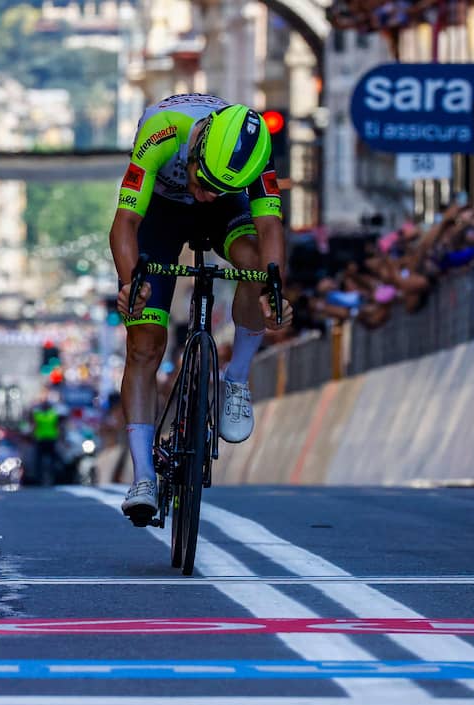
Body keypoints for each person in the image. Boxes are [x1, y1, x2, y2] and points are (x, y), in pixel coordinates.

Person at [109, 94, 294, 524]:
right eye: (203, 180)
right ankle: (143, 478)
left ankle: (237, 379)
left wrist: (273, 288)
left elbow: (269, 226)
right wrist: (128, 284)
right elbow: (126, 221)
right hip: (161, 212)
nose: (207, 195)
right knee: (143, 344)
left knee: (253, 265)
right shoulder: (162, 131)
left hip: (231, 217)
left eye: (219, 187)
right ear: (195, 148)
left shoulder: (256, 154)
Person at [30, 394, 63, 485]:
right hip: (51, 439)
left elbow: (33, 427)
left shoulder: (38, 415)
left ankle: (39, 478)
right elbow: (58, 427)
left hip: (41, 439)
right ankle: (53, 476)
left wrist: (32, 436)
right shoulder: (53, 414)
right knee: (52, 460)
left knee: (39, 461)